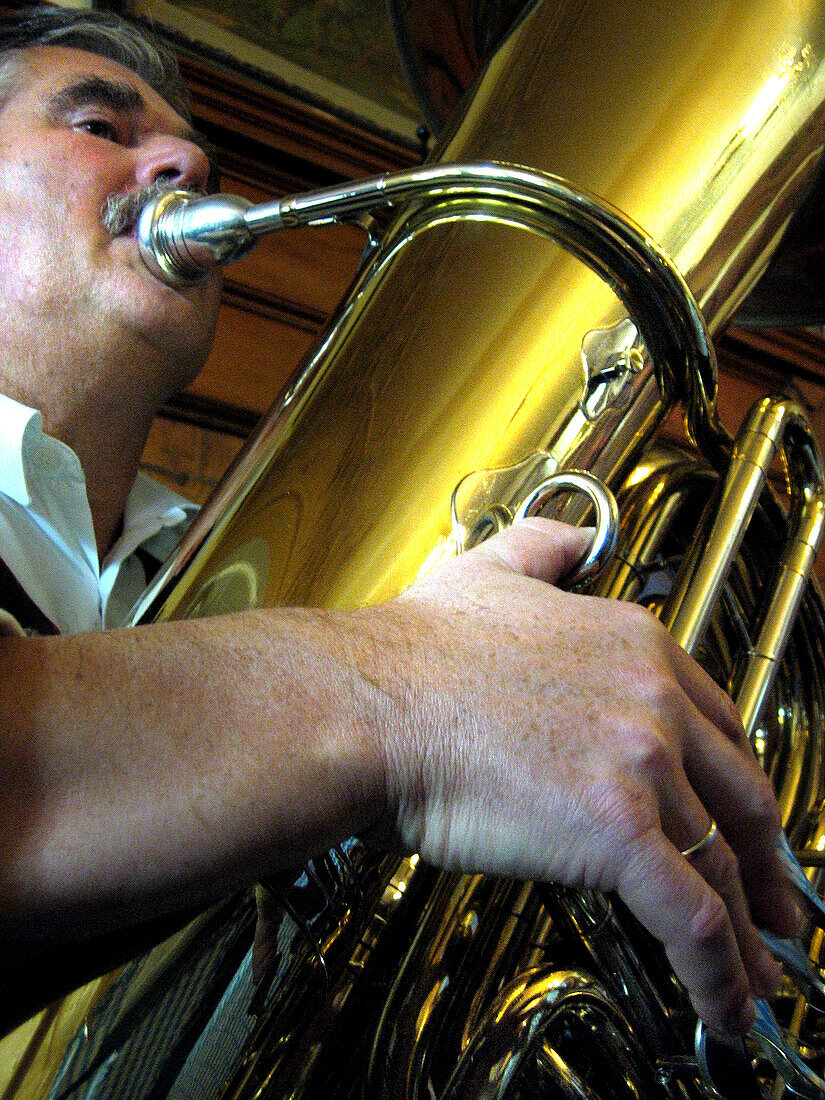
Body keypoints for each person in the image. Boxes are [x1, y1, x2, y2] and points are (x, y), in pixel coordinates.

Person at [0, 3, 801, 1046]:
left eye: (194, 147)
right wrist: (406, 688)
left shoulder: (239, 580)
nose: (189, 163)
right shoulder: (352, 643)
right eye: (101, 128)